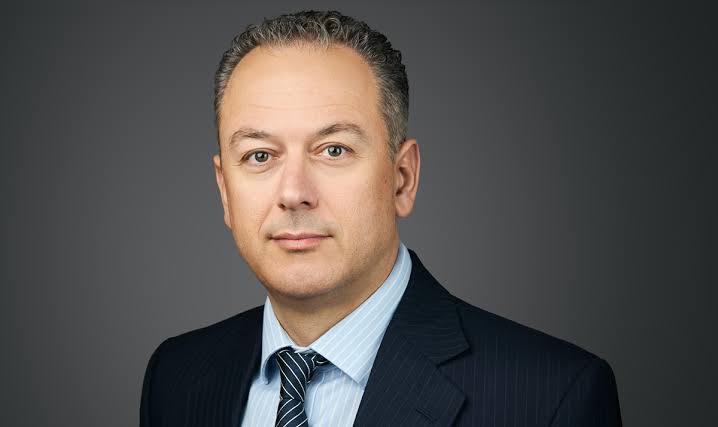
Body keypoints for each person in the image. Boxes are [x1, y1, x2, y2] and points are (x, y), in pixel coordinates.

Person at [140, 10, 622, 427]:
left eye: (334, 150)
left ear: (402, 179)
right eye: (260, 156)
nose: (293, 194)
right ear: (225, 191)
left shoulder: (551, 397)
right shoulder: (177, 376)